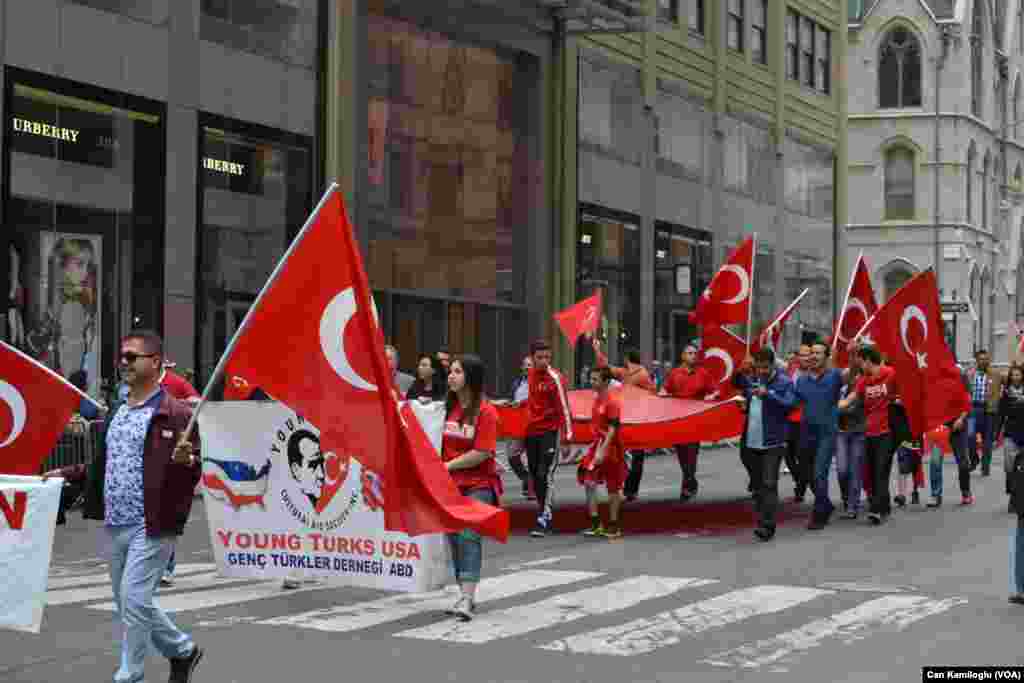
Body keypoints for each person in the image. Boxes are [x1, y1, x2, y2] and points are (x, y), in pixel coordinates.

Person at [42, 330, 203, 683]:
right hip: (116, 523)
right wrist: (66, 472)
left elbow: (194, 466)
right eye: (122, 357)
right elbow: (105, 462)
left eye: (133, 357)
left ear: (155, 363)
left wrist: (187, 460)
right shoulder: (117, 411)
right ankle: (182, 650)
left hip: (153, 523)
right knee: (129, 601)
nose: (124, 362)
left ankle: (129, 675)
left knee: (134, 600)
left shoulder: (174, 413)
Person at [441, 354, 501, 621]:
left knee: (469, 535)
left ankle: (467, 597)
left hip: (479, 484)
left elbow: (482, 452)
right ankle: (464, 594)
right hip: (450, 486)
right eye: (451, 371)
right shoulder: (447, 408)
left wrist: (449, 465)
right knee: (454, 539)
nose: (451, 376)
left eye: (457, 372)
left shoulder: (486, 412)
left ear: (471, 377)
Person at [733, 347, 798, 541]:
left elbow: (790, 405)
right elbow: (740, 389)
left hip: (773, 442)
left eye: (765, 367)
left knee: (769, 483)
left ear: (773, 365)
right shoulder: (753, 379)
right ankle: (762, 516)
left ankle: (767, 525)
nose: (761, 371)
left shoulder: (784, 382)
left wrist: (768, 394)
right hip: (751, 441)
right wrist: (743, 405)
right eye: (758, 367)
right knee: (759, 485)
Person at [593, 338, 656, 501]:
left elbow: (652, 394)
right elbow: (606, 368)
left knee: (637, 455)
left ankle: (630, 489)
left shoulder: (641, 375)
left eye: (624, 358)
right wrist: (597, 350)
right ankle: (626, 488)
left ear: (628, 358)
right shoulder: (625, 373)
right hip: (628, 418)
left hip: (638, 419)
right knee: (628, 454)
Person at [840, 345, 897, 525]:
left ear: (867, 360)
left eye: (860, 362)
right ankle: (884, 505)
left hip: (887, 432)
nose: (859, 365)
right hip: (869, 433)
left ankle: (876, 510)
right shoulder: (863, 381)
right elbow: (851, 399)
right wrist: (834, 406)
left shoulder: (890, 373)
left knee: (880, 470)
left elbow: (904, 389)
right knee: (871, 473)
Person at [524, 339, 573, 537]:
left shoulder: (556, 378)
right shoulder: (529, 375)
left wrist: (567, 438)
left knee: (545, 474)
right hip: (531, 432)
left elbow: (564, 409)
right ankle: (543, 510)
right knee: (535, 475)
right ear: (532, 358)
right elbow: (527, 401)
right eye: (540, 357)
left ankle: (544, 518)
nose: (544, 361)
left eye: (547, 357)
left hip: (550, 433)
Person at [794, 341, 844, 530]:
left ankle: (819, 515)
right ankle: (826, 504)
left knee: (819, 473)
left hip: (826, 433)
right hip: (806, 432)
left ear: (826, 357)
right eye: (811, 353)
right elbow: (792, 402)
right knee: (806, 474)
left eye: (818, 353)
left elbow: (852, 375)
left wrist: (854, 355)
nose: (813, 356)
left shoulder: (835, 376)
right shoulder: (802, 380)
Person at [578, 365, 628, 539]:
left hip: (610, 448)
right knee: (588, 481)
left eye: (595, 379)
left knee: (613, 488)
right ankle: (595, 523)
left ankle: (614, 526)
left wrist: (602, 451)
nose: (591, 382)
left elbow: (613, 429)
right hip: (597, 445)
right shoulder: (596, 399)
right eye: (590, 378)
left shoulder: (612, 402)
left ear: (606, 382)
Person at [661, 343, 715, 500]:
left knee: (691, 454)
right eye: (690, 353)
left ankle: (686, 487)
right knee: (682, 455)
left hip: (695, 421)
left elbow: (714, 391)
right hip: (678, 421)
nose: (693, 356)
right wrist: (662, 394)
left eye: (695, 353)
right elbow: (665, 389)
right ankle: (691, 482)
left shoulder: (703, 373)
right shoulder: (674, 373)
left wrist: (710, 397)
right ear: (683, 356)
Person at [835, 347, 866, 519]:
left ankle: (853, 506)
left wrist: (837, 409)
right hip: (840, 431)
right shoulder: (841, 381)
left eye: (856, 357)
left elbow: (853, 407)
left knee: (855, 469)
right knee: (841, 470)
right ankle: (847, 498)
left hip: (858, 431)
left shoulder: (864, 382)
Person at [964, 349, 1004, 476]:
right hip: (973, 410)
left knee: (987, 441)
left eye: (986, 359)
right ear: (977, 360)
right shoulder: (969, 374)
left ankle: (985, 467)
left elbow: (1010, 379)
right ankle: (974, 459)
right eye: (981, 359)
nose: (984, 361)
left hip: (989, 411)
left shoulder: (996, 374)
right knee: (970, 435)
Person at [502, 354, 533, 498]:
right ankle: (526, 478)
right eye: (525, 365)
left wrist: (522, 404)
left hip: (534, 424)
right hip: (517, 424)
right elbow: (512, 399)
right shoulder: (517, 383)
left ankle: (532, 488)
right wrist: (507, 403)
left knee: (534, 458)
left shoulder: (540, 383)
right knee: (512, 455)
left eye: (530, 365)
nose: (527, 367)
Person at [785, 344, 812, 500]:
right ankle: (800, 480)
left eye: (807, 355)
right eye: (802, 355)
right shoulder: (791, 370)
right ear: (798, 357)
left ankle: (801, 487)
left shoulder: (815, 373)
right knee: (788, 455)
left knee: (802, 455)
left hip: (806, 420)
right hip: (790, 418)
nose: (805, 358)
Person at [998, 365, 1024, 514]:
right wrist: (996, 435)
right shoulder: (1006, 394)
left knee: (1021, 471)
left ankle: (1016, 501)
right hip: (1010, 434)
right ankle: (1012, 494)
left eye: (1018, 375)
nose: (1016, 377)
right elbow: (1001, 414)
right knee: (1009, 468)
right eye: (1013, 375)